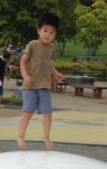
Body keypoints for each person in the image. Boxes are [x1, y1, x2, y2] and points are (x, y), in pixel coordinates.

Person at [17, 12, 64, 150]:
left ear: (55, 34)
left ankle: (46, 137)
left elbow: (48, 63)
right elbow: (23, 61)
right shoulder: (32, 44)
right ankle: (20, 137)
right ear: (38, 30)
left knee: (47, 113)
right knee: (28, 112)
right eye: (45, 30)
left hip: (44, 85)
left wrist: (55, 73)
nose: (48, 35)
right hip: (30, 85)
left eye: (51, 32)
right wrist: (25, 76)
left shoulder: (51, 48)